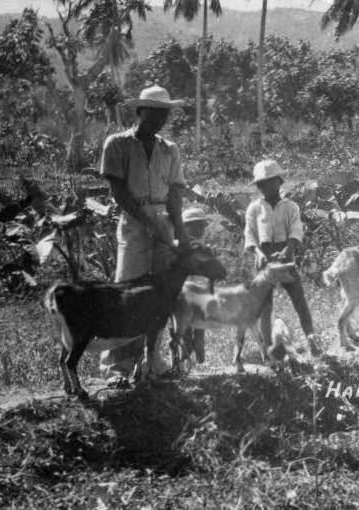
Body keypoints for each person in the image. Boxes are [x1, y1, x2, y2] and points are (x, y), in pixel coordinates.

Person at [99, 85, 190, 388]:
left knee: (161, 294)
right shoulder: (118, 144)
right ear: (140, 112)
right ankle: (119, 366)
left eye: (164, 113)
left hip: (163, 220)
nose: (160, 119)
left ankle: (153, 362)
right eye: (154, 112)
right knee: (128, 293)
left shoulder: (170, 149)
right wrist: (147, 222)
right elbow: (118, 192)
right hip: (135, 222)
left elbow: (175, 194)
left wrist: (179, 232)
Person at [244, 160, 320, 356]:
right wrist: (258, 253)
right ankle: (269, 349)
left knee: (299, 300)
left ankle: (311, 337)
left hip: (285, 257)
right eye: (261, 184)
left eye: (270, 182)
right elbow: (250, 234)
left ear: (279, 182)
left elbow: (296, 230)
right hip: (264, 260)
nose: (265, 187)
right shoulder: (254, 208)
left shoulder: (290, 206)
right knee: (265, 305)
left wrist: (288, 249)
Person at [179, 207, 211, 363]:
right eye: (195, 225)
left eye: (202, 225)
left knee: (199, 325)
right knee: (185, 325)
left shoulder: (200, 244)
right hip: (186, 289)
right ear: (184, 227)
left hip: (200, 288)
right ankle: (186, 355)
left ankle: (198, 352)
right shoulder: (184, 244)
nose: (200, 229)